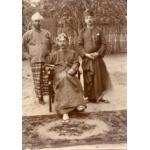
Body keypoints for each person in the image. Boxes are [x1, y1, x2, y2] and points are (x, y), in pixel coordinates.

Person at [46, 33, 86, 123]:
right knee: (64, 78)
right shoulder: (54, 54)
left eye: (64, 41)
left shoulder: (73, 53)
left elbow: (76, 62)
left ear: (68, 42)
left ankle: (77, 104)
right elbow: (47, 65)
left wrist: (73, 68)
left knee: (68, 77)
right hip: (58, 74)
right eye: (60, 41)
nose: (62, 43)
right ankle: (65, 112)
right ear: (58, 43)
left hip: (70, 72)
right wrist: (50, 68)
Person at [77, 9, 112, 103]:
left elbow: (104, 44)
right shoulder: (82, 32)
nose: (89, 20)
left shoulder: (99, 31)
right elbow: (79, 45)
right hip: (87, 59)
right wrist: (86, 54)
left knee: (99, 78)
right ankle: (88, 97)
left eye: (91, 17)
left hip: (97, 59)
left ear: (94, 19)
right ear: (84, 20)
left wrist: (98, 53)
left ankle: (100, 96)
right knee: (88, 78)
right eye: (87, 18)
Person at [22, 12, 52, 105]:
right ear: (32, 22)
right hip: (35, 60)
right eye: (35, 21)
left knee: (48, 78)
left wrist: (50, 54)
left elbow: (53, 44)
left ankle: (51, 96)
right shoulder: (28, 34)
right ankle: (40, 98)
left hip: (46, 60)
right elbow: (21, 46)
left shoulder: (46, 33)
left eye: (39, 21)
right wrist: (27, 55)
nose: (37, 23)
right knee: (37, 80)